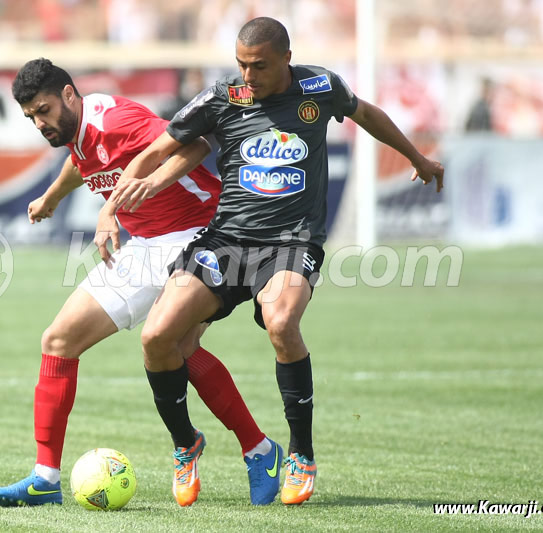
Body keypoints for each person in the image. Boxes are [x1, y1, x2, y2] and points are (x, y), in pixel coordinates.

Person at [103, 17, 445, 506]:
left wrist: (417, 157)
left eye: (259, 65)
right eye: (241, 64)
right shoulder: (223, 97)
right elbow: (155, 150)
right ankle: (185, 443)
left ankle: (301, 454)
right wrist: (112, 208)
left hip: (292, 242)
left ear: (286, 57)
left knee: (282, 323)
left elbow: (366, 113)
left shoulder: (319, 88)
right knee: (157, 338)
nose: (248, 75)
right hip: (226, 241)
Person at [0, 58, 283, 508]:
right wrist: (51, 197)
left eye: (44, 111)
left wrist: (143, 189)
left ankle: (250, 450)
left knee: (177, 346)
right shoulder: (78, 131)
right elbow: (82, 163)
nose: (40, 123)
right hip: (147, 243)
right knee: (59, 340)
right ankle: (45, 478)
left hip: (199, 233)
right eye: (31, 117)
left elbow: (194, 144)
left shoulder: (117, 122)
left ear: (69, 95)